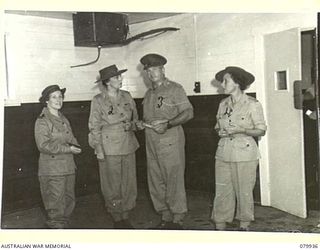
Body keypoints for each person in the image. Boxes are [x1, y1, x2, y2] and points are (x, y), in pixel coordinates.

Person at [137, 53, 194, 229]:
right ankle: (165, 216)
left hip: (170, 140)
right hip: (151, 142)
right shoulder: (148, 93)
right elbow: (150, 118)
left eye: (155, 69)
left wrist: (168, 124)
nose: (151, 73)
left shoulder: (175, 89)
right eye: (148, 70)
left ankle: (177, 218)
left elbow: (188, 113)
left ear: (163, 70)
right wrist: (141, 123)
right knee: (155, 180)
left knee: (173, 179)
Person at [211, 66, 267, 231]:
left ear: (237, 83)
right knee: (222, 191)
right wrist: (219, 131)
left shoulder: (252, 104)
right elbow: (216, 126)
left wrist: (241, 130)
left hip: (245, 153)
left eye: (226, 80)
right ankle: (220, 224)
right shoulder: (223, 104)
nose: (222, 84)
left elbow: (261, 130)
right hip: (223, 152)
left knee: (244, 191)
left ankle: (244, 225)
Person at [88, 64, 139, 229]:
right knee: (112, 184)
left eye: (120, 76)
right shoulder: (98, 100)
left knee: (129, 183)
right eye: (117, 77)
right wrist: (98, 149)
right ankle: (117, 218)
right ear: (107, 82)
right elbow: (94, 127)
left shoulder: (127, 96)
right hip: (109, 148)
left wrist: (131, 125)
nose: (120, 79)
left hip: (128, 145)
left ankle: (126, 215)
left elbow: (135, 120)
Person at [34, 85, 81, 229]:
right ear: (46, 101)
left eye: (60, 96)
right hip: (53, 170)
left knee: (68, 203)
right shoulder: (42, 120)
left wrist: (76, 146)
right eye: (54, 97)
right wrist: (69, 149)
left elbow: (70, 138)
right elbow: (43, 145)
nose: (58, 100)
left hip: (67, 167)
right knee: (56, 208)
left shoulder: (62, 118)